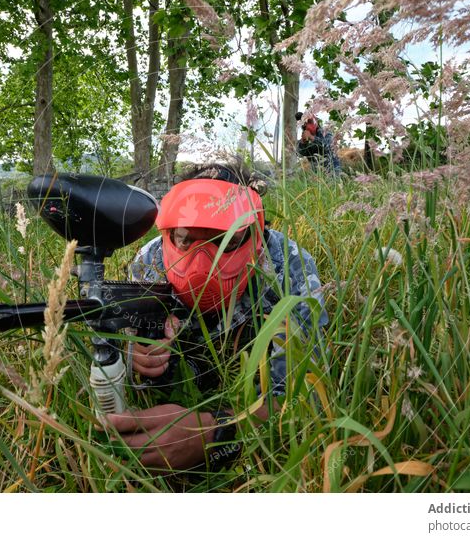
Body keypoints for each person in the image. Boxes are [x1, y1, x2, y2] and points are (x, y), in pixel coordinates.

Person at [104, 163, 328, 471]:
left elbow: (303, 398)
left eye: (226, 241)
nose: (201, 265)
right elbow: (130, 344)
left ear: (256, 233)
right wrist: (133, 354)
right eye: (185, 239)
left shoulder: (288, 268)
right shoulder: (150, 262)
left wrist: (216, 432)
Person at [296, 113, 341, 178]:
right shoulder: (304, 140)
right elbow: (299, 154)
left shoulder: (326, 133)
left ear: (316, 122)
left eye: (309, 121)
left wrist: (312, 138)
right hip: (317, 176)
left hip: (333, 171)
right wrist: (303, 143)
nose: (307, 125)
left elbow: (329, 145)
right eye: (304, 123)